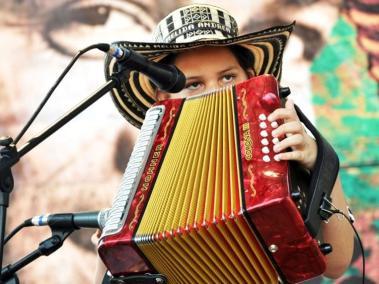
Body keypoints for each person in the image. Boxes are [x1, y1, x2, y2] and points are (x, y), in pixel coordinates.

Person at [95, 4, 354, 282]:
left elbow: (336, 264)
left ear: (250, 77)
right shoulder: (146, 181)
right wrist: (110, 246)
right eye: (193, 84)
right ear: (163, 99)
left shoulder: (283, 146)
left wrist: (322, 165)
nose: (214, 93)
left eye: (228, 77)